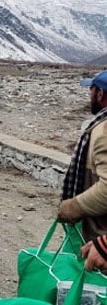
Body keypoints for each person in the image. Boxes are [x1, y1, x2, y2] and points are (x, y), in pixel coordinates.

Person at [57, 70, 107, 241]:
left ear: (100, 93)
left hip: (101, 237)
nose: (89, 95)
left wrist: (71, 207)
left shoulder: (103, 131)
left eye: (91, 90)